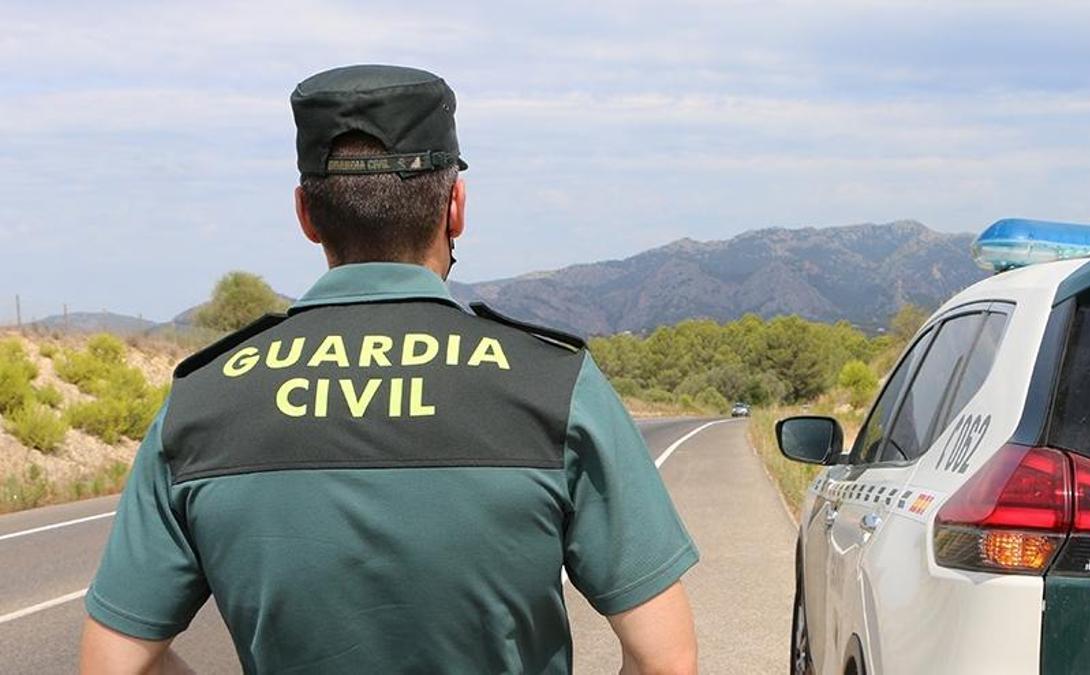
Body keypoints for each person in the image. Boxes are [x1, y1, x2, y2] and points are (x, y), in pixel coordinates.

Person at [78, 64, 700, 674]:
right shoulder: (553, 382)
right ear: (455, 207)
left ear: (306, 214)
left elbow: (114, 664)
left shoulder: (204, 400)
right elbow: (664, 659)